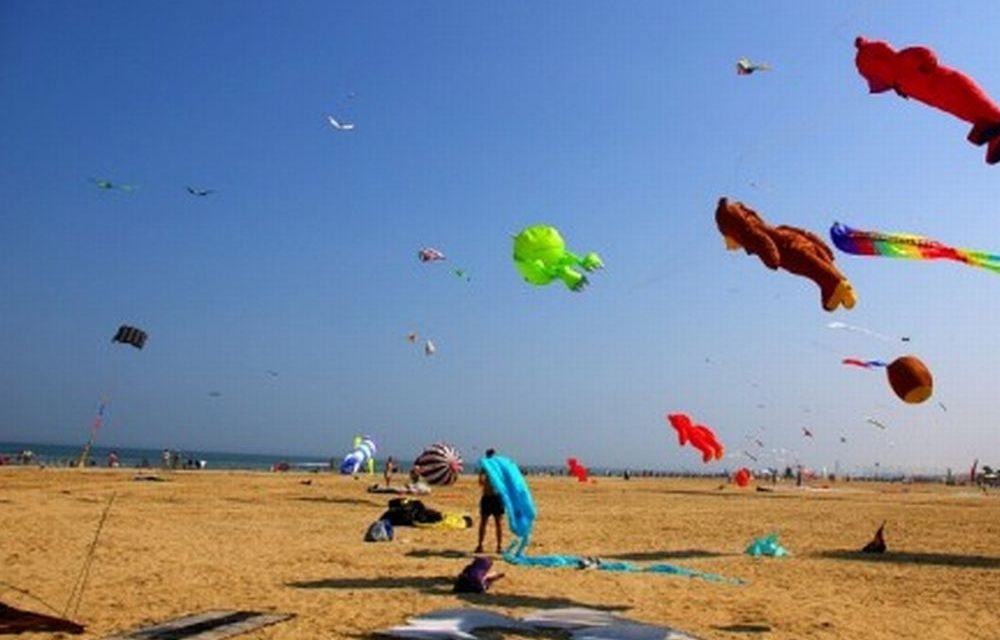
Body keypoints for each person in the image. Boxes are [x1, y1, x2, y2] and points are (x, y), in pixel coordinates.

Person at [476, 448, 504, 554]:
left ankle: (499, 546)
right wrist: (482, 474)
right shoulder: (484, 468)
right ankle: (480, 545)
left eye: (492, 456)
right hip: (487, 497)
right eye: (489, 456)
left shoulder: (499, 468)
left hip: (496, 497)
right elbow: (481, 483)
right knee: (483, 522)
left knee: (498, 523)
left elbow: (504, 481)